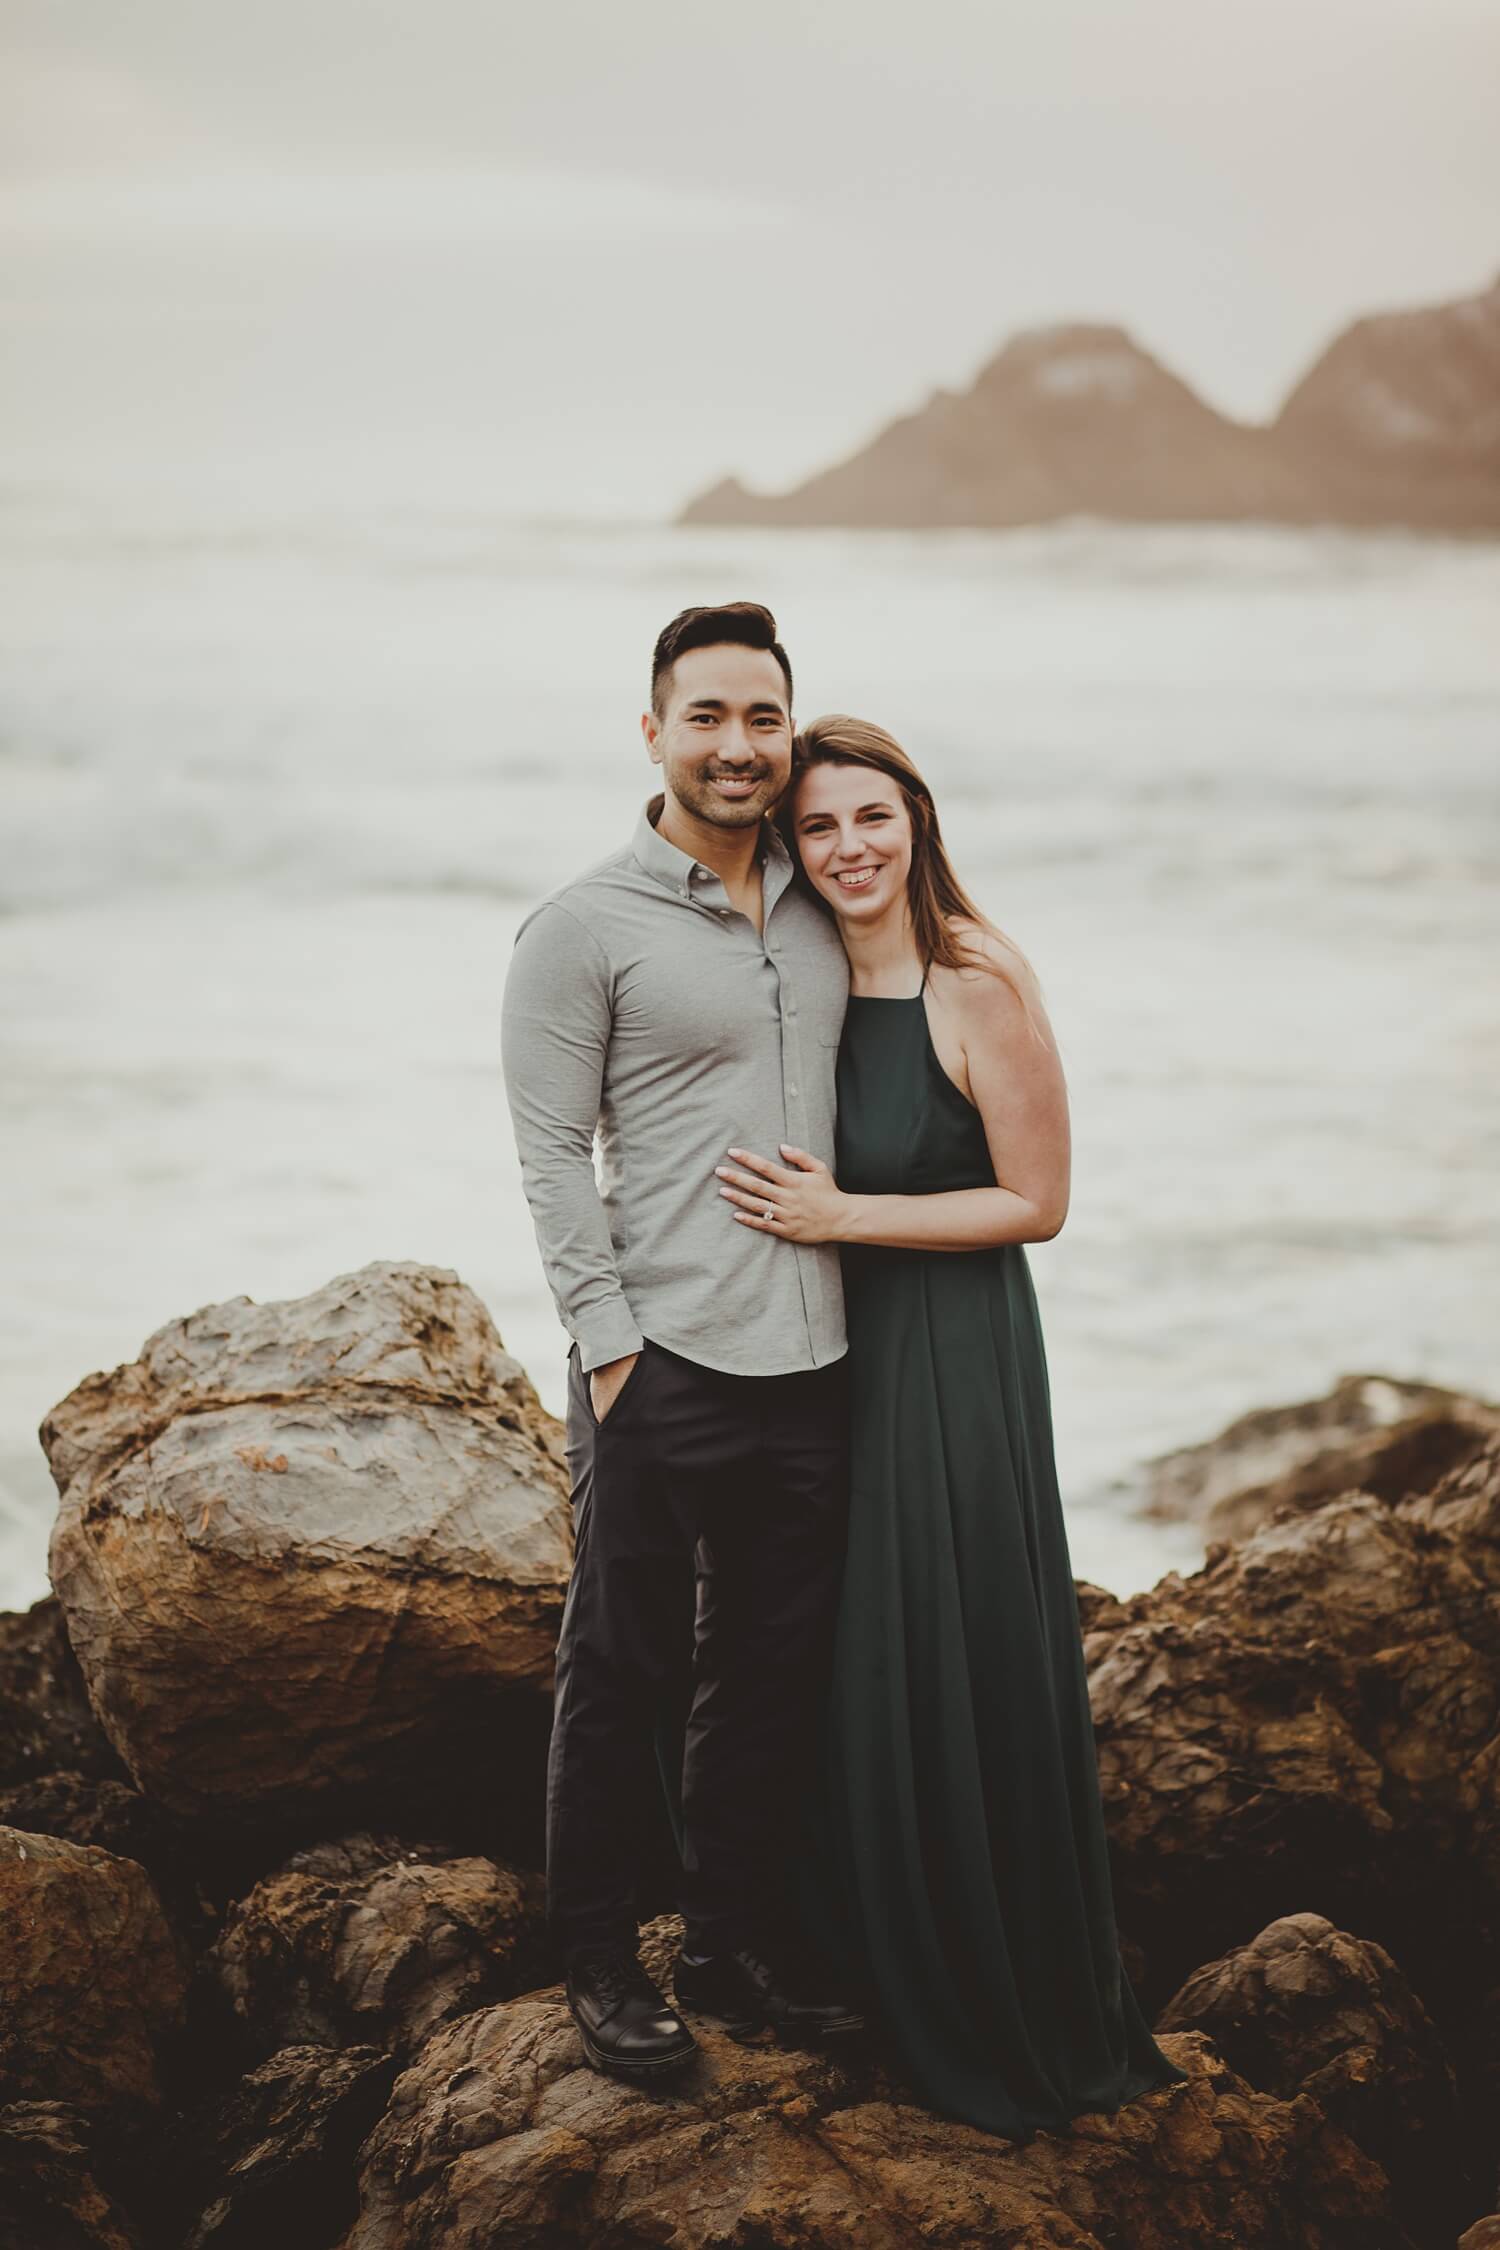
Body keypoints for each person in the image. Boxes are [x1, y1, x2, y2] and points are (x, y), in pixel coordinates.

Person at [713, 713, 1192, 2140]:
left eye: (872, 816)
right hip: (823, 1356)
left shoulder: (978, 980)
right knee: (836, 1653)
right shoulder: (789, 979)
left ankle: (992, 1990)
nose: (849, 846)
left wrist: (843, 1213)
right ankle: (843, 1962)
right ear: (788, 847)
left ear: (916, 820)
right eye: (818, 825)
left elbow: (1037, 1201)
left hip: (955, 1353)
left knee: (947, 1646)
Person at [500, 602, 864, 2080]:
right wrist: (609, 1351)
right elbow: (545, 1154)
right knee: (624, 1659)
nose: (738, 746)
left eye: (762, 718)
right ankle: (595, 1953)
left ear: (790, 730)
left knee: (772, 1666)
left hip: (819, 1355)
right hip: (662, 1358)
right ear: (652, 730)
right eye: (706, 716)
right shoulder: (582, 925)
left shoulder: (830, 898)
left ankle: (725, 1940)